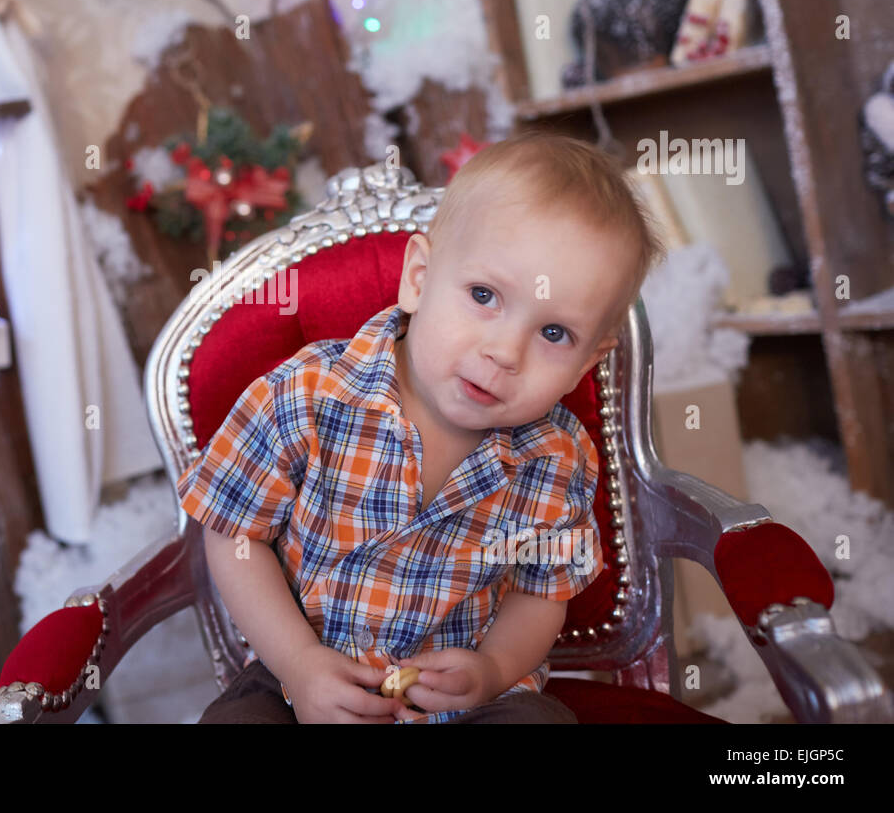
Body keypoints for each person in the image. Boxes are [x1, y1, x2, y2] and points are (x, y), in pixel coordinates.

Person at [177, 131, 668, 723]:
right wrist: (299, 662)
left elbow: (540, 596)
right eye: (484, 295)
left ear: (588, 362)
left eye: (554, 333)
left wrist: (490, 670)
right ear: (418, 277)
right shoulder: (308, 393)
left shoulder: (556, 457)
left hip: (464, 702)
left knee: (542, 723)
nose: (505, 352)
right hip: (304, 677)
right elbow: (233, 535)